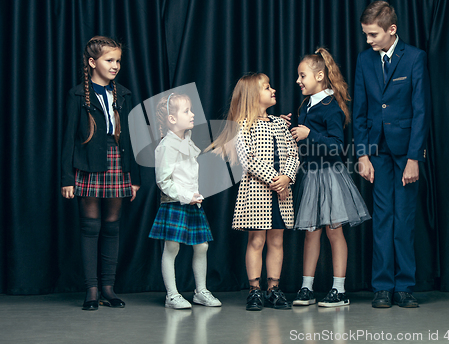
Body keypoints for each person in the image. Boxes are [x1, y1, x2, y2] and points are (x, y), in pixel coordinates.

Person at [353, 1, 431, 308]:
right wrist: (362, 155)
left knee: (405, 218)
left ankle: (404, 286)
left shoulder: (414, 58)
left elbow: (422, 110)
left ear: (391, 30)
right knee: (382, 218)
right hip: (377, 152)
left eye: (373, 34)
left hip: (406, 152)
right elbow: (360, 111)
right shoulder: (364, 61)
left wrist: (414, 158)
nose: (369, 40)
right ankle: (382, 287)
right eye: (366, 35)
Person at [282, 48, 370, 308]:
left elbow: (336, 146)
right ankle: (306, 288)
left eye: (302, 75)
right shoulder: (305, 106)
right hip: (310, 177)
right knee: (311, 233)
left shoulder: (331, 107)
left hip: (330, 177)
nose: (298, 81)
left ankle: (339, 290)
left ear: (320, 75)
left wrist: (310, 134)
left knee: (334, 231)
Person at [61, 36, 141, 311]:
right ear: (93, 62)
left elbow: (130, 138)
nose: (115, 65)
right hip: (88, 163)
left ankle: (108, 288)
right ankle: (91, 290)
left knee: (112, 227)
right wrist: (67, 178)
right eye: (110, 60)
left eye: (118, 60)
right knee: (89, 227)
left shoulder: (125, 94)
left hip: (117, 162)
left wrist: (134, 178)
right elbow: (68, 139)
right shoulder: (77, 95)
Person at [209, 73, 299, 311]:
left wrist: (287, 178)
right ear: (252, 96)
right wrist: (274, 180)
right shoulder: (242, 126)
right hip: (257, 192)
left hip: (281, 193)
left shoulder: (280, 124)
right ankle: (254, 289)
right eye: (267, 87)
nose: (273, 90)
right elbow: (249, 160)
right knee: (256, 240)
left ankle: (274, 288)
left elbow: (293, 154)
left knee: (277, 240)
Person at [150, 93, 221, 309]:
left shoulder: (187, 142)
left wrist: (194, 195)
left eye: (191, 109)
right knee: (172, 248)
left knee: (202, 246)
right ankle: (172, 295)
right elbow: (163, 181)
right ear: (172, 119)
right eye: (187, 111)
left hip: (192, 204)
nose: (192, 114)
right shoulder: (166, 146)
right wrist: (185, 196)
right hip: (175, 204)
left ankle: (201, 291)